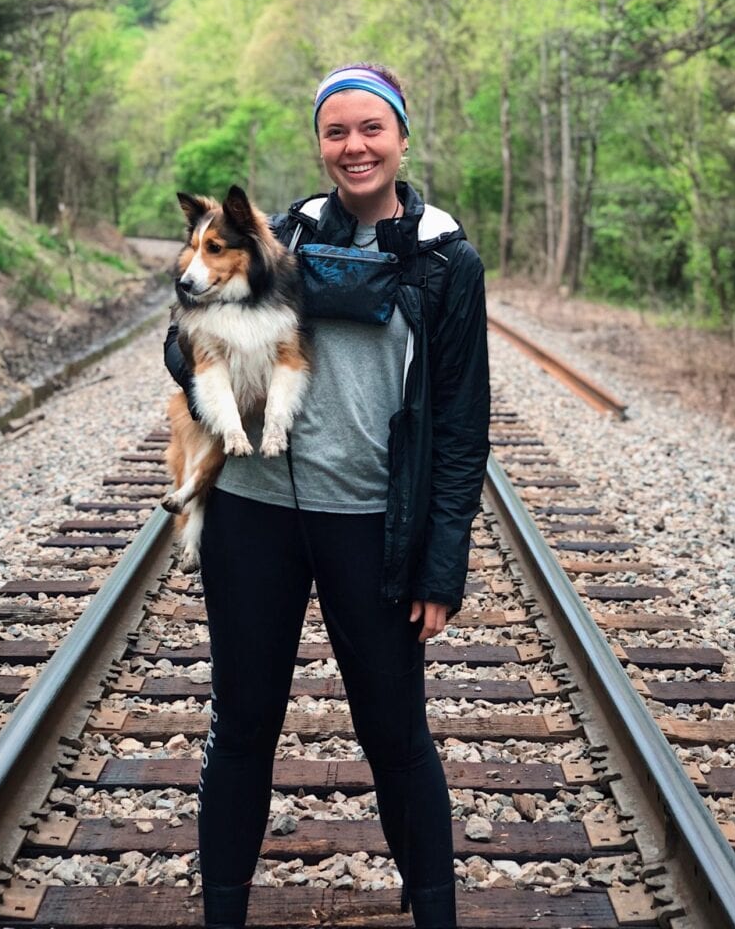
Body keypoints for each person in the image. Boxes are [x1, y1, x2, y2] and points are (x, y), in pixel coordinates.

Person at [163, 63, 490, 928]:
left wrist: (443, 561)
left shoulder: (447, 258)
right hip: (256, 514)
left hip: (371, 525)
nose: (354, 147)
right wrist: (203, 345)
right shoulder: (284, 238)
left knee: (396, 739)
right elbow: (184, 345)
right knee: (242, 729)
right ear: (319, 141)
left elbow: (460, 425)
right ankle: (223, 915)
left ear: (401, 138)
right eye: (336, 131)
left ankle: (436, 916)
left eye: (370, 129)